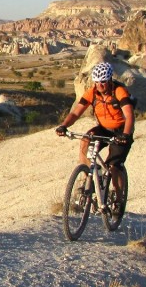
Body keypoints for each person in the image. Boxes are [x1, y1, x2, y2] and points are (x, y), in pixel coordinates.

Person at [55, 62, 135, 199]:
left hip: (121, 131)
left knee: (114, 166)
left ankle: (118, 197)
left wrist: (126, 135)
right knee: (85, 140)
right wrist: (64, 125)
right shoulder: (92, 92)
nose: (100, 85)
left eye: (103, 82)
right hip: (103, 129)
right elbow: (76, 113)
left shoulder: (119, 91)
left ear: (109, 80)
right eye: (97, 82)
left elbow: (129, 115)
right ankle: (90, 178)